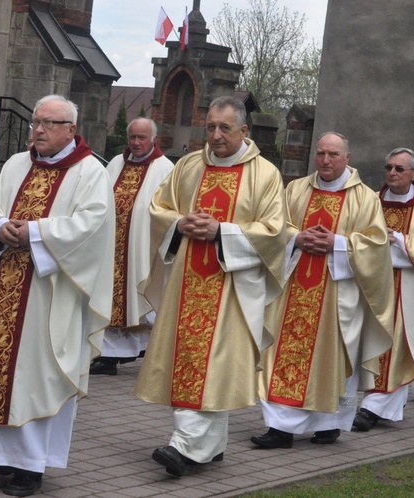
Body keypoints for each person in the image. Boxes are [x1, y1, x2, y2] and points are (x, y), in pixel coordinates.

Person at [0, 94, 115, 496]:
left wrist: (36, 233)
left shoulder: (89, 173)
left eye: (49, 123)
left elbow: (92, 227)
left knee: (36, 375)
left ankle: (30, 466)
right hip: (4, 289)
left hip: (50, 295)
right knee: (1, 369)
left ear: (70, 130)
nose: (38, 130)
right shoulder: (16, 164)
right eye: (36, 123)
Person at [134, 96, 286, 477]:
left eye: (225, 128)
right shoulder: (188, 165)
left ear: (244, 131)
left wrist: (223, 231)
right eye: (211, 127)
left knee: (213, 365)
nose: (216, 136)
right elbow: (158, 207)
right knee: (191, 360)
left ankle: (184, 446)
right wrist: (179, 224)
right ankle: (208, 445)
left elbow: (274, 231)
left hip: (233, 287)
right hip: (186, 283)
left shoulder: (265, 174)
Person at [252, 132, 394, 449]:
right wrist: (297, 238)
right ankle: (279, 428)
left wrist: (338, 244)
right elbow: (276, 226)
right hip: (293, 289)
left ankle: (328, 424)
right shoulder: (295, 189)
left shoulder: (365, 198)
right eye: (320, 154)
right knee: (281, 355)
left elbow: (377, 246)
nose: (325, 160)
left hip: (337, 297)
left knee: (334, 357)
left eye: (332, 154)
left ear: (347, 158)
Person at [90, 117, 174, 375]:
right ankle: (108, 356)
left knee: (142, 301)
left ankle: (147, 353)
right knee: (109, 298)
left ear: (154, 139)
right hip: (111, 246)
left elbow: (169, 210)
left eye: (142, 138)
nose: (136, 143)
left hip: (143, 249)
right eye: (132, 138)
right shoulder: (116, 163)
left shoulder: (165, 168)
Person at [353, 148, 414, 431]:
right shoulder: (371, 201)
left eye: (399, 169)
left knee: (395, 346)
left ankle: (371, 407)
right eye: (388, 167)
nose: (392, 173)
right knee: (367, 341)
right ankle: (385, 401)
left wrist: (400, 241)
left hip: (406, 287)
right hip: (371, 284)